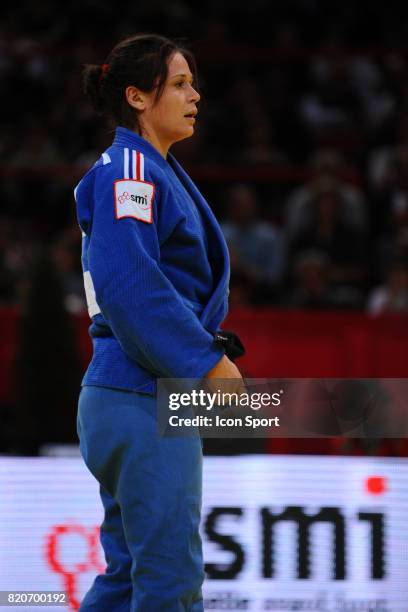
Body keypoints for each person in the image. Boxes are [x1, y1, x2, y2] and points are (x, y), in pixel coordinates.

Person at [75, 34, 243, 611]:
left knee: (128, 584)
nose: (194, 94)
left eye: (192, 82)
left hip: (142, 394)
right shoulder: (128, 166)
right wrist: (205, 362)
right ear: (137, 97)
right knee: (169, 581)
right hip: (141, 392)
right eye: (178, 83)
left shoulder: (149, 168)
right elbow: (129, 287)